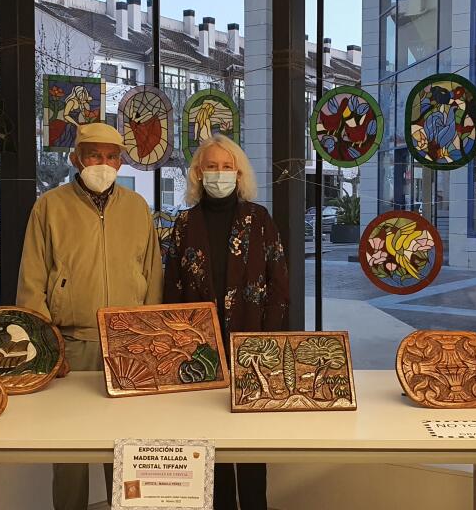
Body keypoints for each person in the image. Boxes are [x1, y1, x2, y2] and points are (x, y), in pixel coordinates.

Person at [17, 122, 163, 510]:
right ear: (76, 157)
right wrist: (48, 347)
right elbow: (32, 281)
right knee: (69, 451)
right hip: (72, 343)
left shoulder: (136, 207)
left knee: (127, 448)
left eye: (112, 156)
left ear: (121, 160)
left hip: (127, 345)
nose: (104, 163)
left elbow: (152, 276)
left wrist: (147, 340)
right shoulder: (49, 206)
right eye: (95, 155)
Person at [163, 134, 289, 510]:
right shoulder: (184, 223)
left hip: (252, 349)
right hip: (199, 354)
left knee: (250, 450)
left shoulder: (259, 218)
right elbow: (172, 287)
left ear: (238, 171)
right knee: (208, 448)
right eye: (211, 167)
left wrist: (271, 347)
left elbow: (278, 285)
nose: (219, 174)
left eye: (227, 166)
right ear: (198, 173)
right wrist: (176, 348)